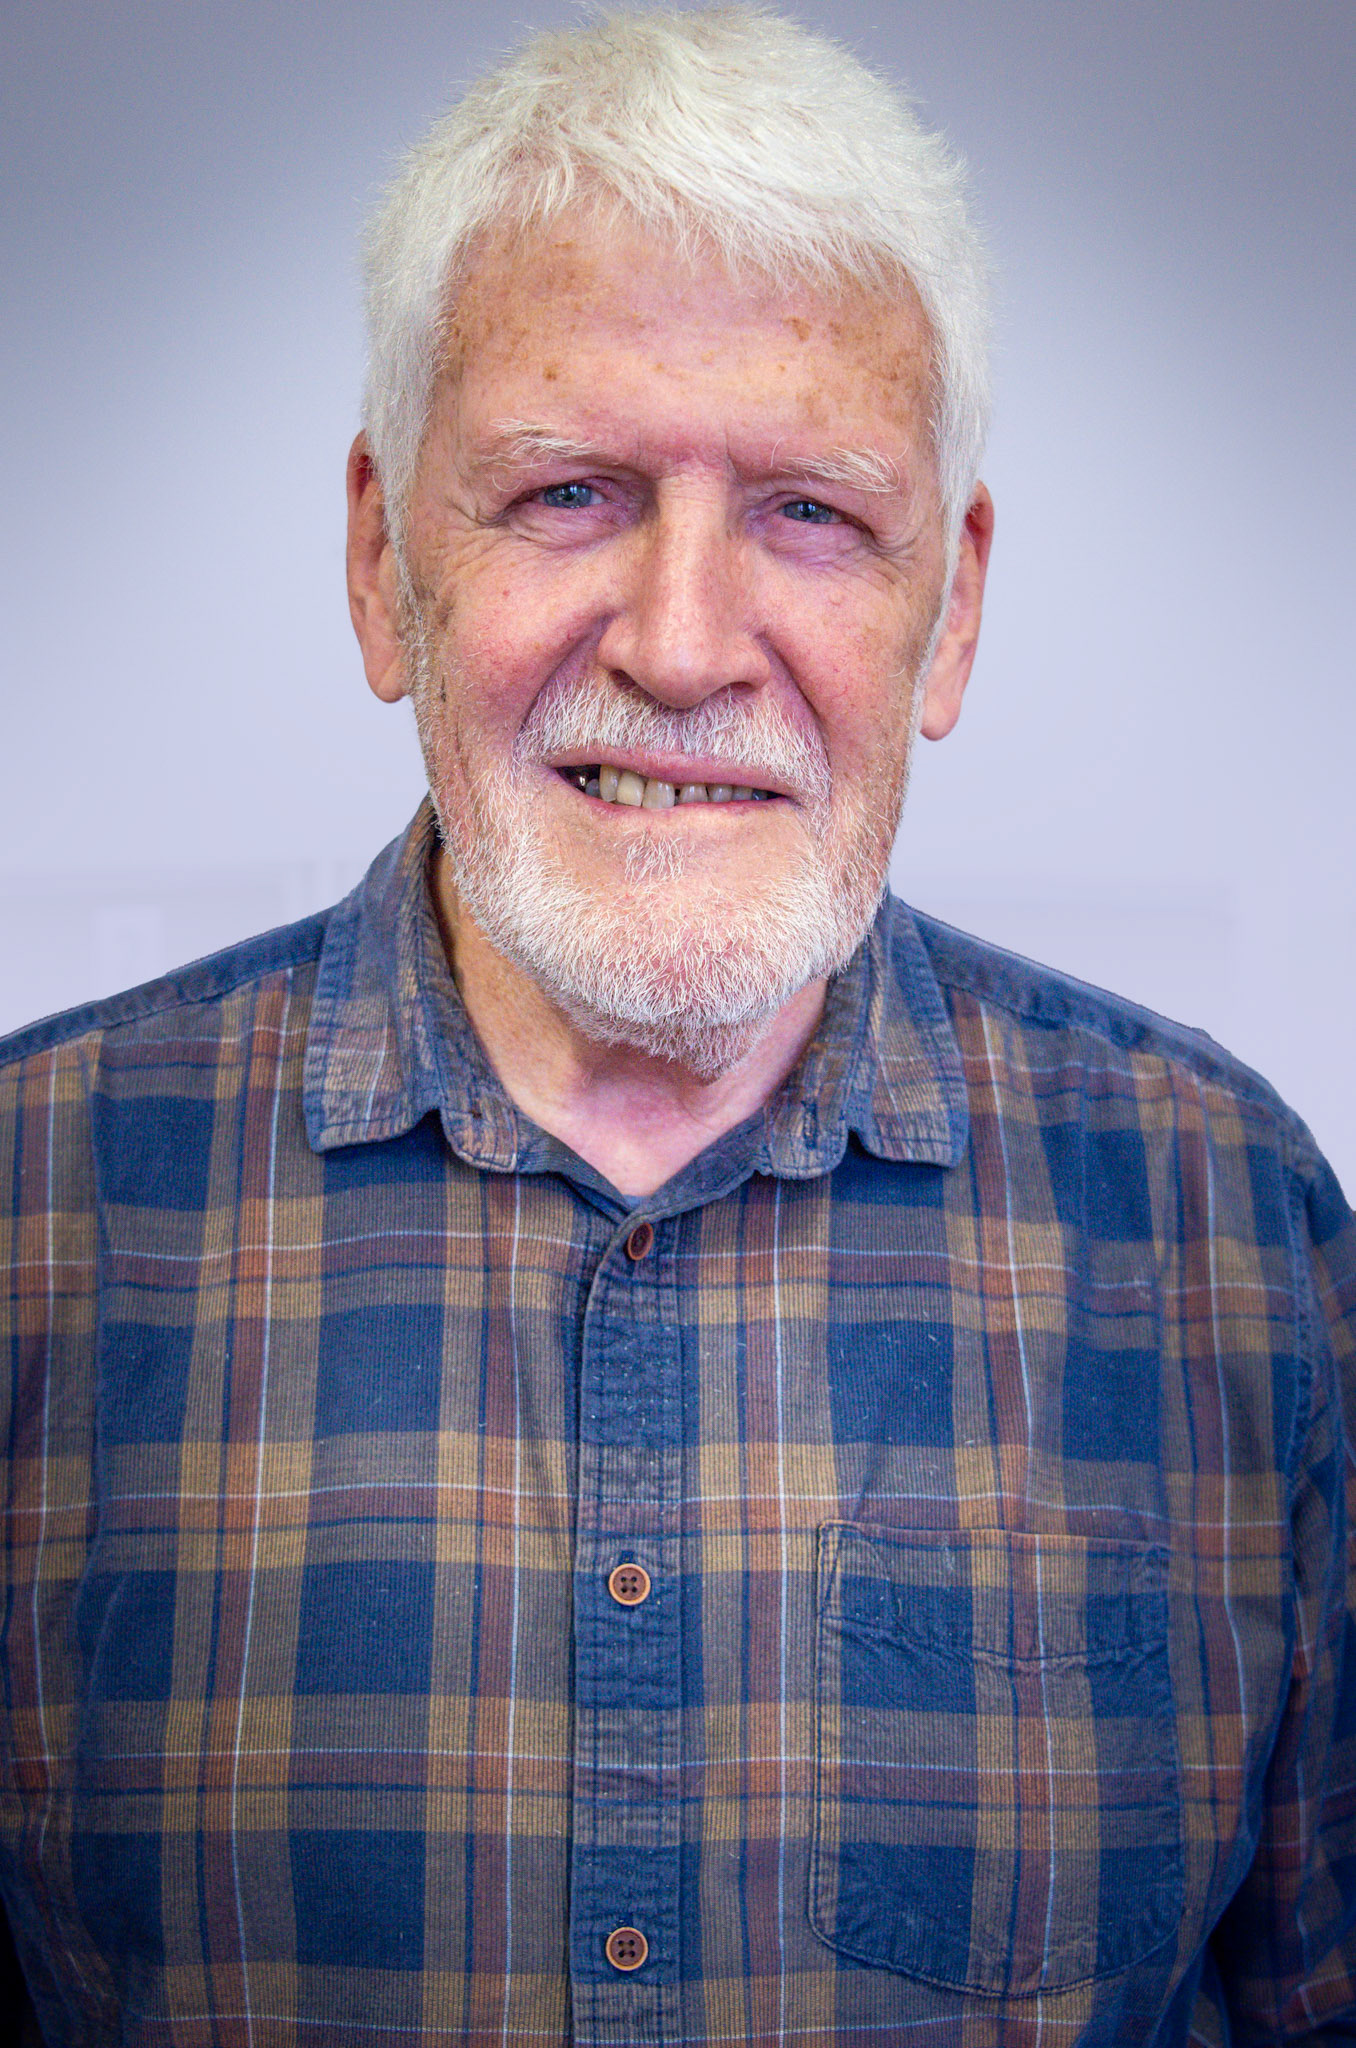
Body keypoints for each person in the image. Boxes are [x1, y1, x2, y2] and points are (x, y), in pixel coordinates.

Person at [1, 7, 1353, 2042]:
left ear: (953, 608)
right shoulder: (28, 1211)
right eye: (566, 492)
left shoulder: (1235, 1226)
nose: (685, 640)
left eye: (812, 509)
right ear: (384, 562)